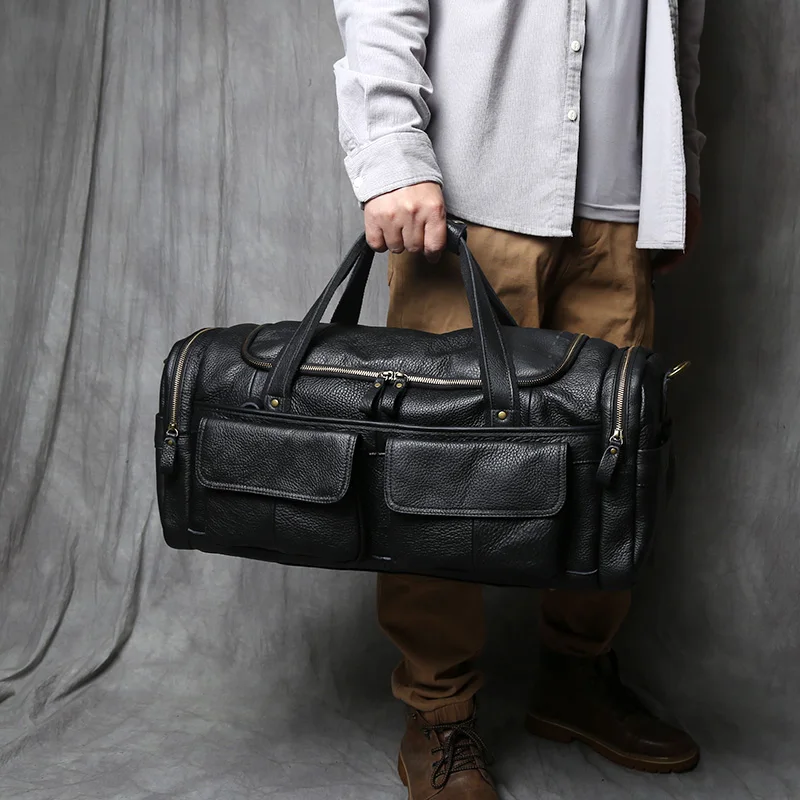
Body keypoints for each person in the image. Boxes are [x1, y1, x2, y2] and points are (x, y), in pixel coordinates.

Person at [332, 0, 706, 796]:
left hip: (623, 204)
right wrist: (392, 153)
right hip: (475, 194)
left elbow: (685, 22)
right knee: (437, 474)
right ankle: (437, 712)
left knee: (613, 474)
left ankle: (576, 676)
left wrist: (681, 172)